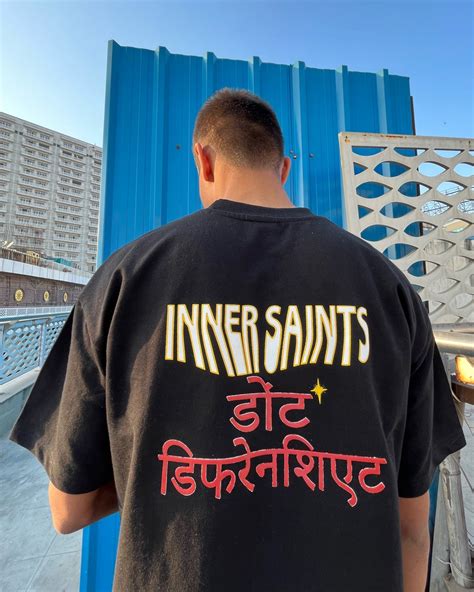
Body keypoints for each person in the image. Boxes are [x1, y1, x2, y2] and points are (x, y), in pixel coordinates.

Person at [8, 88, 466, 592]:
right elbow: (411, 528)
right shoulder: (389, 287)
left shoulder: (122, 280)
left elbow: (68, 510)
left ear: (202, 160)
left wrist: (162, 465)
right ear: (283, 169)